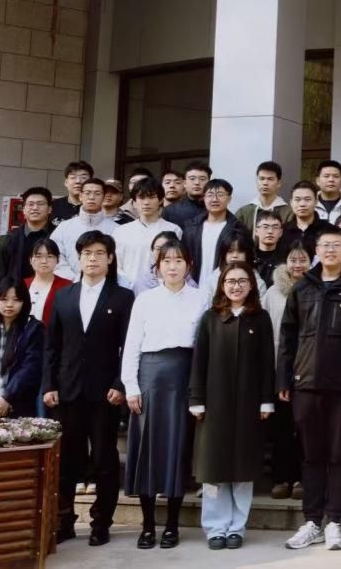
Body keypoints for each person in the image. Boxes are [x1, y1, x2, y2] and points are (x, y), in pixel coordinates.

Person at [278, 224, 341, 551]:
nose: (331, 250)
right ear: (316, 250)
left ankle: (334, 521)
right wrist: (283, 378)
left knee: (339, 454)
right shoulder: (302, 287)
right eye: (325, 245)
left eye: (337, 245)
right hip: (306, 384)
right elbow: (288, 338)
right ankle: (312, 521)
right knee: (312, 455)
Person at [42, 230, 134, 546]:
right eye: (86, 253)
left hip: (105, 393)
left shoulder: (122, 298)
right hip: (67, 391)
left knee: (105, 459)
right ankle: (65, 521)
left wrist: (120, 383)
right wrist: (49, 384)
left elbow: (129, 346)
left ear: (110, 258)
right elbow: (52, 346)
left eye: (98, 253)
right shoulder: (64, 296)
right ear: (78, 259)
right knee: (67, 460)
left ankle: (101, 523)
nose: (92, 259)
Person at [121, 234, 209, 550]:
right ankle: (148, 525)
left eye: (178, 261)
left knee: (177, 450)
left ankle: (172, 525)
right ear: (157, 266)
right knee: (147, 450)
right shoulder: (145, 300)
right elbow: (132, 345)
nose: (172, 267)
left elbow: (204, 347)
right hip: (150, 378)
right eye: (166, 261)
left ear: (189, 265)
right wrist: (131, 386)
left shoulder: (200, 298)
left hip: (184, 377)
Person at [189, 262, 276, 551]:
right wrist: (197, 400)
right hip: (214, 405)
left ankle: (237, 527)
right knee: (213, 468)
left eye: (242, 281)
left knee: (242, 468)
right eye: (230, 281)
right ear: (222, 285)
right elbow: (198, 362)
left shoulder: (260, 319)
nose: (236, 286)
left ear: (251, 285)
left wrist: (266, 399)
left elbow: (267, 362)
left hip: (248, 405)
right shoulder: (210, 318)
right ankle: (215, 528)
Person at [266, 239, 308, 501]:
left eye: (303, 259)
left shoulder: (315, 287)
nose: (297, 264)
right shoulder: (273, 292)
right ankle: (281, 477)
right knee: (281, 427)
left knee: (304, 426)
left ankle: (302, 478)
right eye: (293, 259)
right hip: (278, 365)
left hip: (307, 365)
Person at [0, 277, 44, 418]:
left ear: (24, 302)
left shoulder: (33, 330)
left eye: (16, 300)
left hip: (20, 407)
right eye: (4, 299)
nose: (10, 304)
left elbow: (30, 369)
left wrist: (7, 397)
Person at [114, 178, 181, 291]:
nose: (146, 202)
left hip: (163, 291)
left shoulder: (174, 230)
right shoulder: (120, 231)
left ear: (161, 200)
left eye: (151, 197)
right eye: (141, 197)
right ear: (134, 202)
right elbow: (116, 265)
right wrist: (127, 285)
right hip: (127, 290)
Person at [0, 186, 54, 296]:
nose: (35, 208)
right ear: (24, 209)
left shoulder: (59, 235)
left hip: (50, 297)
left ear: (50, 209)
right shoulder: (10, 239)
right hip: (16, 299)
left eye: (40, 204)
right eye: (30, 204)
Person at [182, 179, 244, 285]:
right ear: (204, 198)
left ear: (229, 199)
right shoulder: (191, 228)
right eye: (210, 195)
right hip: (193, 287)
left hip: (225, 287)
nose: (215, 199)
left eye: (220, 195)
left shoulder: (237, 229)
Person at [52, 178, 118, 278]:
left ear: (104, 197)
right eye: (87, 193)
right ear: (80, 196)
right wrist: (75, 280)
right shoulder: (64, 227)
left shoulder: (116, 229)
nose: (91, 197)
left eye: (97, 193)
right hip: (69, 283)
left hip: (106, 283)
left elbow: (120, 260)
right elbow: (55, 256)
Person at [24, 238, 70, 327]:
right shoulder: (21, 285)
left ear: (58, 259)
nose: (44, 261)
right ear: (30, 259)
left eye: (49, 256)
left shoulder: (67, 287)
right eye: (38, 256)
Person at [235, 161, 291, 230]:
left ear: (279, 183)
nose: (265, 183)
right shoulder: (243, 212)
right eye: (261, 179)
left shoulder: (289, 213)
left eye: (270, 179)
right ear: (256, 181)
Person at [163, 160, 210, 228]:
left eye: (202, 179)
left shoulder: (216, 209)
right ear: (184, 183)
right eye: (192, 179)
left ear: (209, 182)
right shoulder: (170, 211)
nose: (197, 182)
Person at [51, 160, 93, 224]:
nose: (78, 181)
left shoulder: (98, 208)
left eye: (83, 177)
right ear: (66, 182)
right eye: (73, 177)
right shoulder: (53, 206)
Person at [314, 160, 341, 225]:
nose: (331, 180)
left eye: (336, 176)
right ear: (318, 180)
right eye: (326, 176)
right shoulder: (309, 203)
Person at [253, 210, 287, 286]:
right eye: (265, 227)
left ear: (281, 232)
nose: (270, 231)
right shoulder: (248, 257)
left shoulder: (286, 259)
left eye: (275, 227)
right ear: (256, 231)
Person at [286, 180, 324, 246]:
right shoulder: (282, 231)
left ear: (316, 202)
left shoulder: (328, 230)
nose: (302, 204)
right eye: (297, 199)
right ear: (291, 202)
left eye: (307, 199)